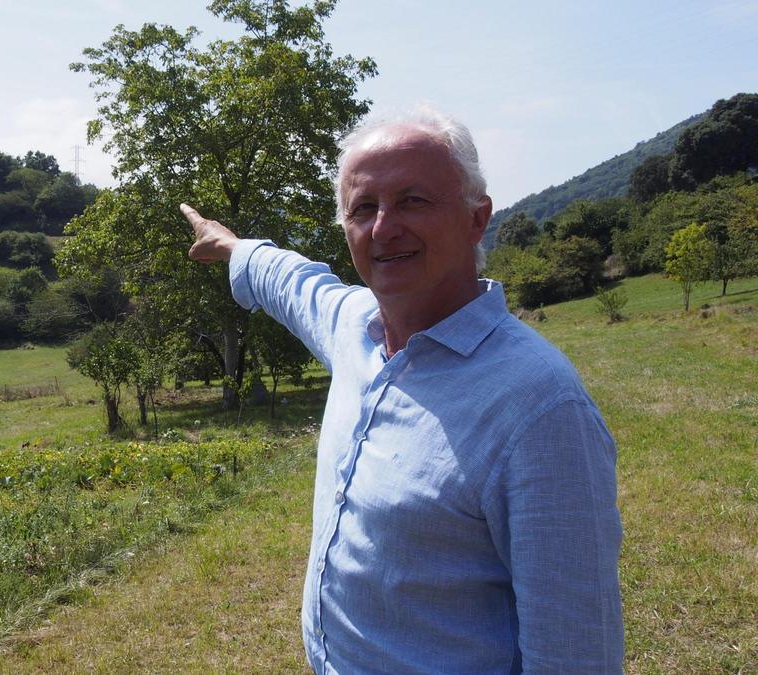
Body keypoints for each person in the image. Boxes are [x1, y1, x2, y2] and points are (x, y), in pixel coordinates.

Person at [180, 106, 624, 673]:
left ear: (476, 218)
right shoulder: (355, 326)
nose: (384, 228)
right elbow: (293, 282)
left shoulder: (541, 408)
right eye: (363, 208)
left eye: (413, 200)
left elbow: (575, 654)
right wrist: (231, 247)